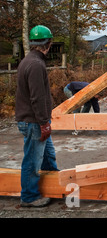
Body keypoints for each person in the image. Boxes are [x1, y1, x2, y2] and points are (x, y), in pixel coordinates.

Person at [15, 25, 58, 207]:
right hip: (33, 121)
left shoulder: (29, 60)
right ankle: (29, 197)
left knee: (48, 156)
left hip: (36, 120)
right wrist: (43, 123)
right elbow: (37, 98)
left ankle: (54, 185)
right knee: (32, 160)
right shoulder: (35, 64)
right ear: (48, 43)